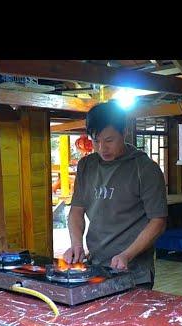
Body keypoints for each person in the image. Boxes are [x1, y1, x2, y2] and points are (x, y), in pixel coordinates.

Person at [63, 101, 168, 289]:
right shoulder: (87, 166)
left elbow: (158, 222)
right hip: (95, 267)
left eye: (109, 140)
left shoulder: (144, 169)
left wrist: (126, 255)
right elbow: (77, 211)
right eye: (96, 141)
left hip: (134, 272)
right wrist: (76, 244)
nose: (102, 148)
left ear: (124, 132)